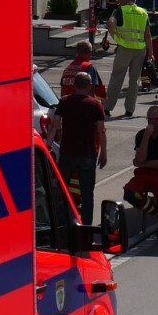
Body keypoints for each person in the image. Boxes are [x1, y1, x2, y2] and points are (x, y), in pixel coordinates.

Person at [48, 72, 107, 214]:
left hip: (67, 154)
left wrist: (48, 146)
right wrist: (103, 153)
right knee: (87, 194)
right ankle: (86, 224)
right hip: (87, 155)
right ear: (90, 86)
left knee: (62, 191)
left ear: (74, 86)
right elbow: (101, 131)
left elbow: (54, 126)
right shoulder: (95, 104)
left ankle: (60, 221)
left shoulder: (65, 101)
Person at [123, 106, 158, 229]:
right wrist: (146, 137)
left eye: (155, 119)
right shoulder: (141, 135)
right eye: (149, 119)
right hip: (143, 174)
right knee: (130, 194)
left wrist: (144, 164)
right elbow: (139, 159)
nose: (152, 122)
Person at [101, 0, 151, 117]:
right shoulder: (143, 12)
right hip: (140, 49)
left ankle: (107, 107)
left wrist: (116, 37)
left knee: (117, 77)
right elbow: (147, 35)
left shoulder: (121, 10)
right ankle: (129, 110)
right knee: (134, 80)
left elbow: (110, 23)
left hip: (124, 48)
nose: (119, 0)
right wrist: (150, 53)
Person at [133, 0, 158, 91]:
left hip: (156, 36)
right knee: (144, 61)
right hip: (143, 37)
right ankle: (146, 84)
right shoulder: (139, 1)